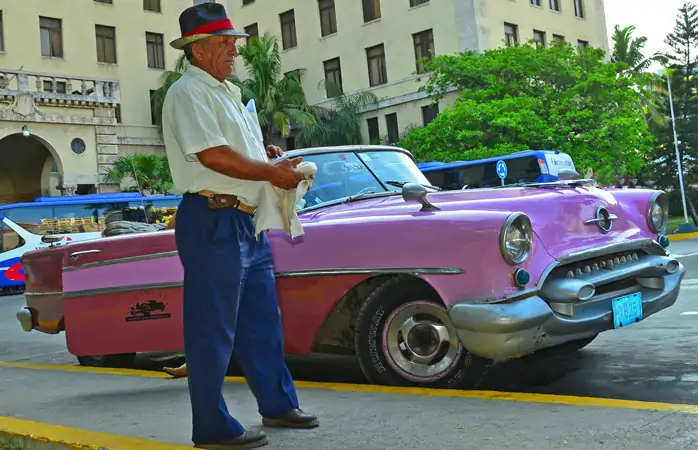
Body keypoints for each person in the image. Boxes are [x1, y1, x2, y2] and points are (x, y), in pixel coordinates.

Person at [162, 4, 318, 449]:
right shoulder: (187, 92)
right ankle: (211, 427)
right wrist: (271, 173)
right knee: (212, 329)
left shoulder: (226, 92)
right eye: (226, 41)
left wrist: (266, 159)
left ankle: (277, 403)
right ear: (199, 46)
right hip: (213, 218)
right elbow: (213, 156)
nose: (235, 49)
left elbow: (233, 154)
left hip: (245, 220)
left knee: (261, 320)